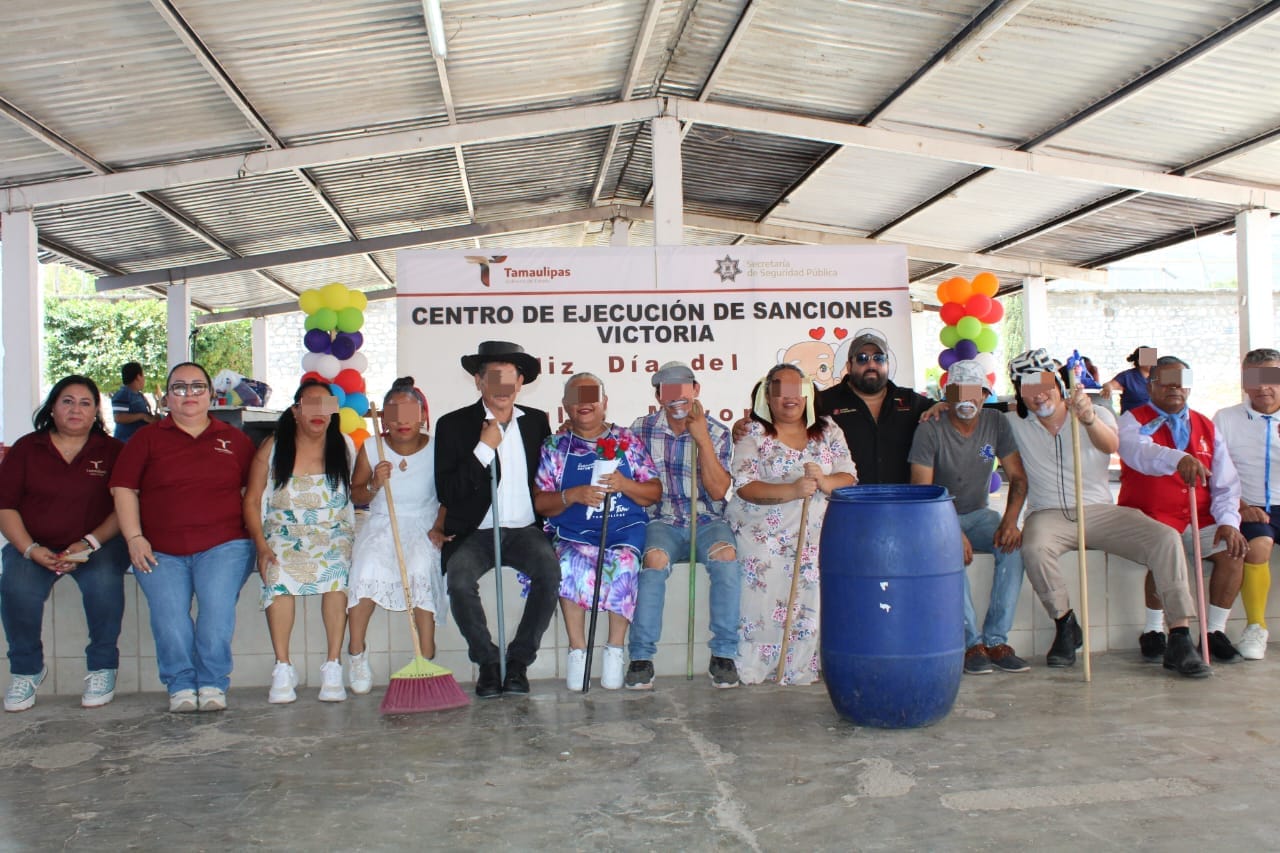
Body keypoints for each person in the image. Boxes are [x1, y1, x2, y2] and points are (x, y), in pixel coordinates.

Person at [1005, 348, 1210, 677]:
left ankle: (1180, 636)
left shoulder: (1095, 411)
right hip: (1048, 512)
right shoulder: (1012, 423)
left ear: (1059, 384)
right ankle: (1065, 624)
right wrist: (945, 410)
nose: (1038, 394)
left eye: (1044, 384)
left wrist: (1087, 419)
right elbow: (983, 443)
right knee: (1034, 547)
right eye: (1028, 388)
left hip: (1099, 510)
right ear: (1019, 393)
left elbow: (1111, 445)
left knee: (1165, 538)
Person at [110, 361, 256, 712]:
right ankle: (180, 684)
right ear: (167, 397)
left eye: (197, 386)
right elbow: (123, 488)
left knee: (216, 612)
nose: (189, 394)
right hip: (159, 548)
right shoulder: (146, 439)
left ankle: (212, 682)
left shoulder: (234, 440)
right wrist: (134, 538)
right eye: (179, 387)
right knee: (169, 617)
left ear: (211, 394)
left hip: (225, 545)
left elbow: (251, 493)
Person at [435, 341, 561, 698]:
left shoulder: (536, 422)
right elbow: (448, 491)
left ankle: (518, 661)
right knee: (459, 580)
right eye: (493, 379)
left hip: (524, 530)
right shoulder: (453, 425)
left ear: (520, 383)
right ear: (478, 382)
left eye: (509, 379)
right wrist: (483, 448)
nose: (501, 388)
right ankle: (488, 663)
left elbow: (548, 475)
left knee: (550, 573)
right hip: (475, 532)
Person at [0, 376, 129, 711]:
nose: (76, 410)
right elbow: (5, 506)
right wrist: (30, 549)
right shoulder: (27, 448)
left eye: (85, 403)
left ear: (96, 411)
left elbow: (124, 506)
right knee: (17, 587)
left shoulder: (113, 451)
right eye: (67, 401)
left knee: (103, 582)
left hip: (97, 545)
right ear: (53, 408)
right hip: (34, 545)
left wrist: (87, 543)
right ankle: (26, 670)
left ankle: (102, 667)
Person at [728, 364, 856, 685]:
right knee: (762, 596)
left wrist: (824, 481)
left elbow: (849, 476)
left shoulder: (828, 429)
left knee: (809, 601)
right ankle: (758, 667)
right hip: (762, 535)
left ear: (808, 394)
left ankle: (799, 667)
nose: (789, 398)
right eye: (780, 391)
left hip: (813, 537)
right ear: (767, 397)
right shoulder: (752, 433)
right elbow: (744, 485)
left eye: (796, 390)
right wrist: (793, 490)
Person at [1118, 356, 1247, 665]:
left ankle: (1214, 632)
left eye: (1181, 382)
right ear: (1150, 386)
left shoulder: (1207, 426)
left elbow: (1226, 484)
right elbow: (1139, 454)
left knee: (1233, 551)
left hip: (1199, 516)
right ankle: (1154, 630)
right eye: (1166, 382)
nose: (1174, 388)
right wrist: (1178, 458)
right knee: (1166, 545)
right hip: (1149, 515)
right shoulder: (1132, 420)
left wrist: (1228, 521)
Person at [534, 373, 660, 691]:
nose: (585, 404)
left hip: (623, 530)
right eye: (576, 398)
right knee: (566, 565)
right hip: (574, 532)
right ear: (565, 406)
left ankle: (615, 649)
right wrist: (572, 495)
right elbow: (540, 502)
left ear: (604, 402)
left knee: (626, 564)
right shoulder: (554, 446)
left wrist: (625, 484)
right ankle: (578, 651)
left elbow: (653, 492)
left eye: (592, 396)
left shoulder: (627, 441)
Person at [908, 359, 1030, 675]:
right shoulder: (930, 429)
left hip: (979, 514)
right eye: (958, 391)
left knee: (1014, 548)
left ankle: (996, 641)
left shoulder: (995, 422)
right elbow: (923, 493)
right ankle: (971, 644)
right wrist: (951, 530)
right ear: (947, 396)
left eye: (974, 391)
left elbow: (1018, 477)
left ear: (985, 394)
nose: (966, 399)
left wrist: (1011, 521)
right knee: (950, 554)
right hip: (936, 518)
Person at [628, 362, 742, 690]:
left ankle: (723, 654)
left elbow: (718, 492)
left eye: (683, 387)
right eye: (668, 390)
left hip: (707, 519)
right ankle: (641, 657)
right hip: (662, 519)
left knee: (726, 557)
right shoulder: (641, 429)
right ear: (659, 397)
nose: (677, 396)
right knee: (654, 560)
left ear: (696, 390)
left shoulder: (717, 432)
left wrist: (702, 438)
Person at [243, 380, 356, 704]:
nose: (318, 412)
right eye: (310, 405)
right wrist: (261, 546)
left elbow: (359, 492)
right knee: (276, 572)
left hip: (332, 531)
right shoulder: (273, 447)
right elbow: (252, 500)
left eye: (326, 405)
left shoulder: (344, 445)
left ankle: (333, 665)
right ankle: (283, 666)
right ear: (295, 411)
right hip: (283, 531)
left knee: (337, 572)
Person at [346, 379, 450, 693]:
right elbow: (356, 494)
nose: (402, 421)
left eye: (410, 413)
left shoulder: (438, 448)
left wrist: (439, 527)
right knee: (366, 570)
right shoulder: (372, 448)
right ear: (384, 419)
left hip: (424, 523)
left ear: (422, 416)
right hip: (382, 523)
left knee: (419, 569)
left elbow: (449, 495)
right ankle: (356, 653)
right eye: (394, 414)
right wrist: (375, 483)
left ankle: (425, 655)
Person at [1214, 348, 1280, 659]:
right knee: (1257, 547)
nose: (1263, 387)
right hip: (1248, 504)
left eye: (1271, 378)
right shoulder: (1226, 419)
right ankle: (1256, 627)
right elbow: (1215, 470)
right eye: (1255, 378)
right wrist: (1240, 505)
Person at [817, 332, 933, 484]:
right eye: (862, 358)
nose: (871, 365)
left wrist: (943, 404)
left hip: (901, 498)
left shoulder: (909, 400)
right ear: (849, 366)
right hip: (846, 498)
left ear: (887, 364)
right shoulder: (823, 402)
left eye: (879, 358)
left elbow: (953, 403)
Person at [111, 361, 158, 442]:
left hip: (139, 440)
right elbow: (118, 417)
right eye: (143, 376)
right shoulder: (123, 394)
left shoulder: (138, 394)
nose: (144, 379)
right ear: (138, 377)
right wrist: (142, 416)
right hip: (126, 442)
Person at [1100, 346, 1156, 414]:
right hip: (1132, 418)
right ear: (1139, 361)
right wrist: (1108, 387)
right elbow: (1110, 384)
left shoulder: (1159, 376)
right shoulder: (1127, 376)